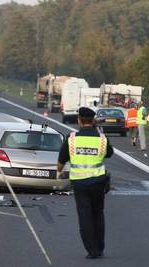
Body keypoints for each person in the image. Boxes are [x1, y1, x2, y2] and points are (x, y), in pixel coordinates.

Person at [57, 107, 113, 259]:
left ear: (79, 121)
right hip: (98, 182)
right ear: (93, 121)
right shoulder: (102, 138)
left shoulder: (72, 138)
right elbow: (109, 153)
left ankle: (92, 250)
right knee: (97, 214)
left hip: (80, 183)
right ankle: (100, 247)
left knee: (85, 216)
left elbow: (62, 160)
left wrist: (59, 171)